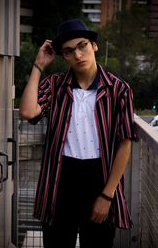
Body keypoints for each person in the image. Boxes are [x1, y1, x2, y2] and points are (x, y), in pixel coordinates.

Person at [19, 18, 137, 248]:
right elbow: (27, 111)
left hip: (99, 178)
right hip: (60, 181)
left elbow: (125, 144)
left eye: (82, 45)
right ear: (63, 56)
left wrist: (107, 195)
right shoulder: (55, 85)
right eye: (69, 51)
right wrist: (38, 65)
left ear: (94, 45)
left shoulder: (119, 90)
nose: (78, 55)